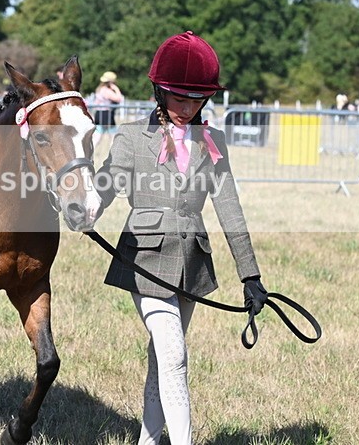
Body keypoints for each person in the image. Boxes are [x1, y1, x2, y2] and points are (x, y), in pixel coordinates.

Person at [96, 31, 269, 445]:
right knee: (174, 356)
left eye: (196, 99)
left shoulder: (213, 141)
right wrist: (85, 206)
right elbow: (107, 183)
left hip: (191, 262)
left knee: (162, 359)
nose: (187, 108)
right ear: (159, 91)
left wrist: (250, 275)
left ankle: (148, 440)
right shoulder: (132, 138)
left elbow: (229, 206)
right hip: (145, 260)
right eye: (178, 98)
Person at [93, 71, 124, 146]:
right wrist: (116, 89)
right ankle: (114, 153)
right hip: (106, 115)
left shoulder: (99, 89)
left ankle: (90, 152)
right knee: (113, 137)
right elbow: (119, 99)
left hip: (99, 114)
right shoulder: (106, 91)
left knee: (98, 137)